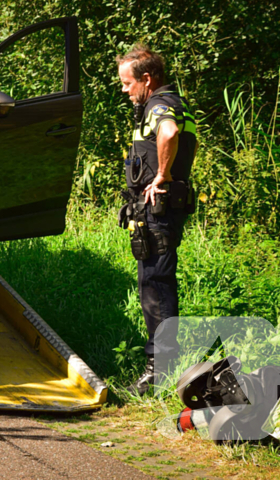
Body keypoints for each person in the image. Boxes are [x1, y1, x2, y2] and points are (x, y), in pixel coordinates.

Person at [117, 44, 197, 396]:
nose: (124, 90)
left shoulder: (159, 105)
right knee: (155, 282)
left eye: (127, 83)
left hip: (158, 210)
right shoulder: (173, 102)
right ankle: (161, 368)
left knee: (155, 285)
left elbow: (169, 133)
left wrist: (162, 175)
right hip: (159, 209)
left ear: (146, 79)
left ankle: (159, 373)